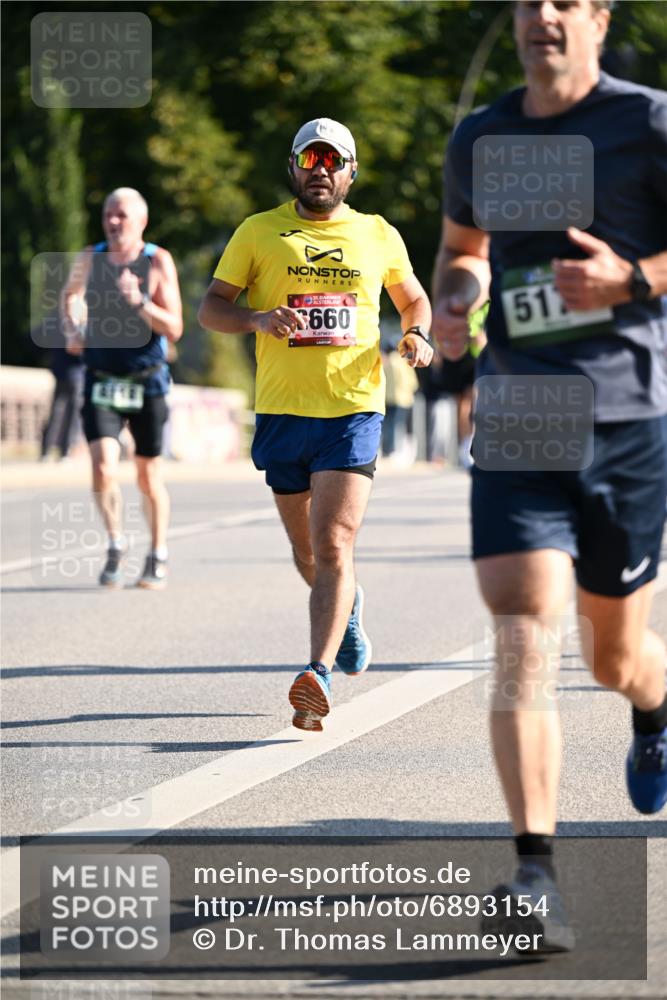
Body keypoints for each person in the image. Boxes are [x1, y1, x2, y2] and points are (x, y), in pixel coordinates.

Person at [433, 0, 667, 949]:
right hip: (522, 405)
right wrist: (455, 300)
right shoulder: (480, 135)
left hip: (626, 417)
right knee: (523, 629)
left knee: (614, 659)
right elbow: (461, 254)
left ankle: (653, 709)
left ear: (599, 19)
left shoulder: (646, 121)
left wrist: (631, 282)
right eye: (529, 0)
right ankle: (535, 872)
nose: (544, 16)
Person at [199, 117, 432, 732]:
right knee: (306, 550)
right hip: (281, 411)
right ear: (295, 167)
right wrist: (256, 319)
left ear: (352, 172)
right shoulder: (259, 231)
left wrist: (416, 333)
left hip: (353, 408)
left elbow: (412, 298)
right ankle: (349, 612)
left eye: (334, 161)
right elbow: (211, 308)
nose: (322, 170)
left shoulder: (378, 233)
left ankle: (317, 674)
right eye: (311, 159)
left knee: (334, 543)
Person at [63, 187, 183, 589]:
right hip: (102, 379)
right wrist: (74, 326)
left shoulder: (157, 261)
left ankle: (158, 553)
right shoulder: (90, 257)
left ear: (141, 221)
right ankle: (116, 543)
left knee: (148, 476)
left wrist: (140, 302)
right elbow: (71, 297)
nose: (113, 222)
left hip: (147, 382)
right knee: (102, 468)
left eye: (121, 216)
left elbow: (175, 328)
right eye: (107, 214)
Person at [40, 340, 85, 461]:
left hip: (61, 374)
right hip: (75, 375)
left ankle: (46, 451)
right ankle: (65, 451)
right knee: (71, 416)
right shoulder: (78, 328)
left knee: (56, 414)